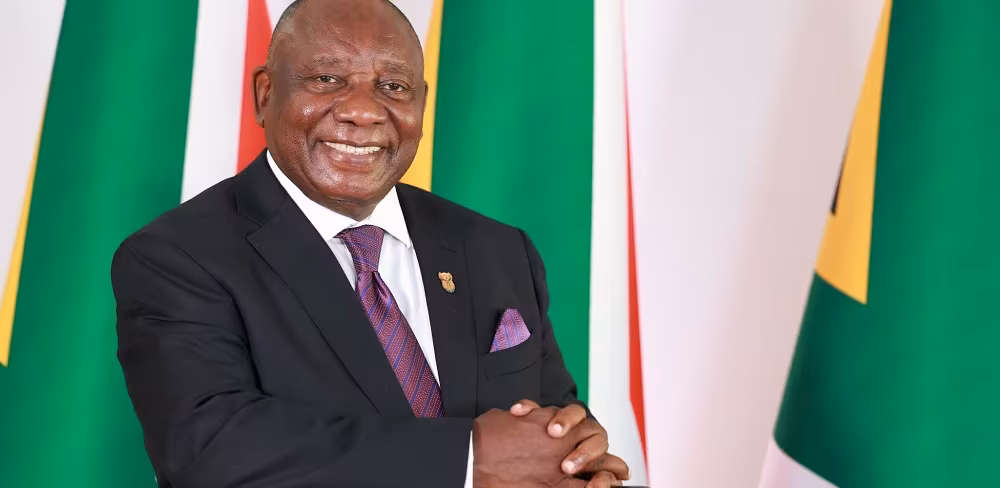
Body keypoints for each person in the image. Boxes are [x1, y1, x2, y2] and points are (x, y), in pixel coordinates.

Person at [112, 0, 629, 486]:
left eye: (393, 86)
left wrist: (574, 458)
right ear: (265, 95)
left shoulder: (498, 249)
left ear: (422, 102)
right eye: (327, 79)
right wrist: (470, 460)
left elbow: (551, 422)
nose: (363, 111)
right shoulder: (176, 258)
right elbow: (211, 449)